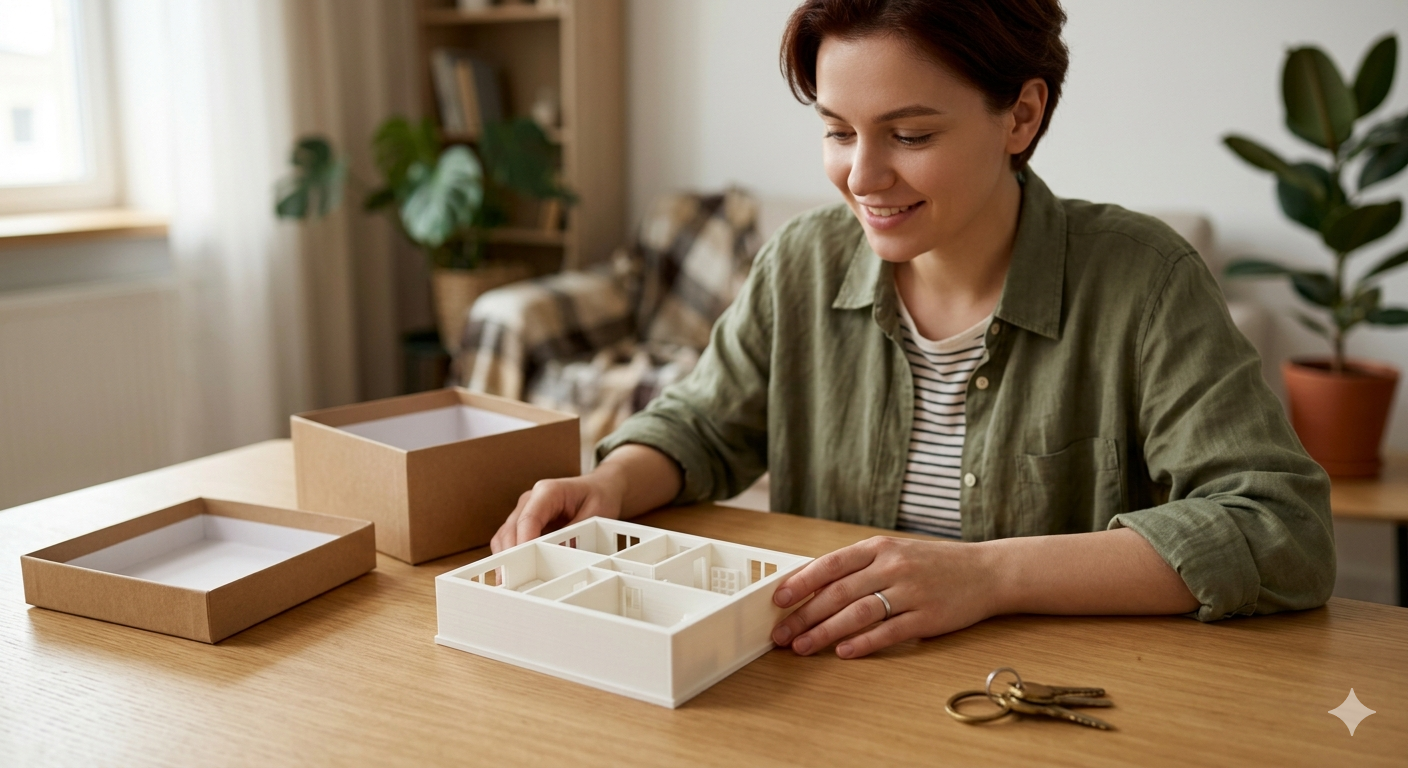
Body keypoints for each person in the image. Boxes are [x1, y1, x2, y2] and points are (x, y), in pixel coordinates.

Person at [490, 0, 1335, 660]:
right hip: (831, 686)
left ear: (1021, 117)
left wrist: (989, 574)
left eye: (911, 133)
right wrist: (612, 484)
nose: (862, 176)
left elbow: (1280, 528)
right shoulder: (802, 265)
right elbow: (703, 424)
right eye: (836, 130)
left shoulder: (1144, 281)